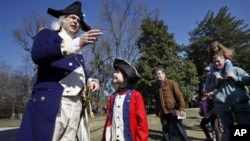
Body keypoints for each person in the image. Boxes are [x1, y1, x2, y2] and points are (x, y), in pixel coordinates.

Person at [17, 1, 103, 141]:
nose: (76, 21)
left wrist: (90, 80)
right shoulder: (48, 34)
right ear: (62, 19)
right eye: (72, 18)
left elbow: (81, 71)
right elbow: (37, 55)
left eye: (78, 20)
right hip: (55, 102)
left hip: (76, 105)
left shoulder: (77, 50)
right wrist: (76, 44)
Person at [205, 53, 250, 141]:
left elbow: (248, 80)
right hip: (222, 106)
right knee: (228, 130)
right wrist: (215, 83)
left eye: (218, 61)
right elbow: (207, 88)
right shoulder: (211, 75)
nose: (217, 64)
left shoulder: (236, 70)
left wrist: (236, 78)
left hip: (240, 104)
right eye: (214, 62)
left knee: (243, 129)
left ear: (224, 61)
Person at [102, 58, 149, 141]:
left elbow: (142, 123)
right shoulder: (113, 97)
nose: (114, 74)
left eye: (117, 72)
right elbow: (108, 121)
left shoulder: (136, 96)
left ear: (126, 77)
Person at [154, 68, 189, 141]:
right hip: (163, 113)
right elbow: (157, 100)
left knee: (180, 130)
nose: (157, 76)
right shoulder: (156, 86)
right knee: (165, 131)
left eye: (159, 74)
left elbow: (179, 96)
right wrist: (157, 111)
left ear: (164, 74)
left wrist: (181, 109)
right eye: (156, 74)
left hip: (173, 111)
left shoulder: (171, 83)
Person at [198, 66, 221, 141]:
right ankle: (209, 138)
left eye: (208, 71)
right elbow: (201, 93)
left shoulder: (216, 79)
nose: (207, 73)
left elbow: (218, 89)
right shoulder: (203, 82)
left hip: (214, 106)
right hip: (206, 107)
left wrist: (212, 94)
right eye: (206, 72)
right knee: (203, 125)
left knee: (215, 127)